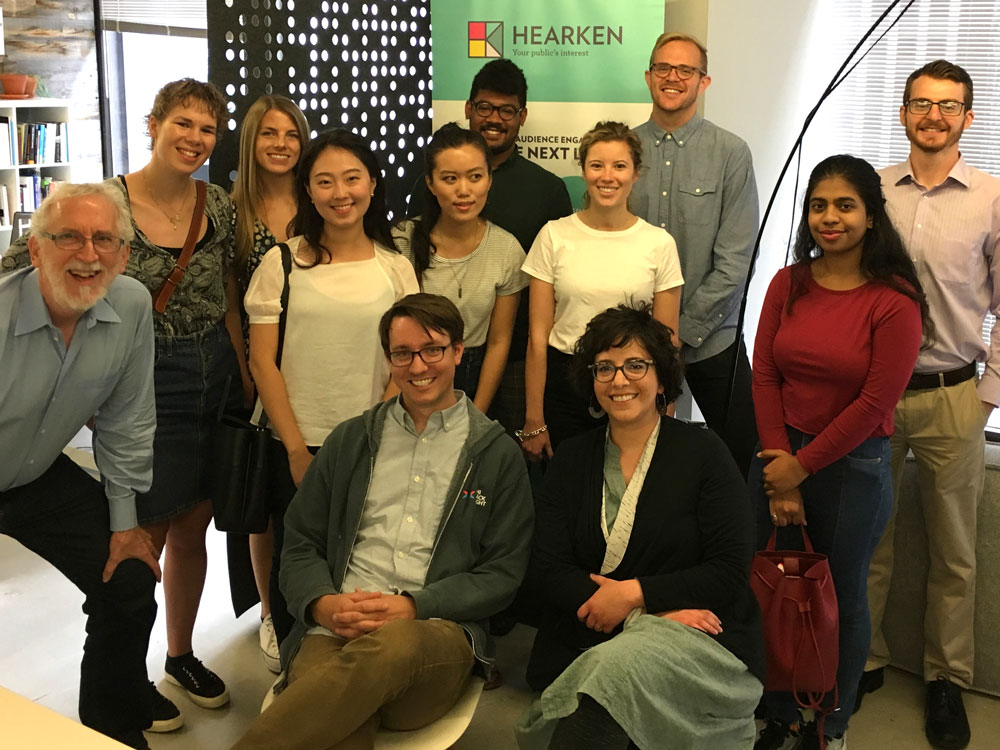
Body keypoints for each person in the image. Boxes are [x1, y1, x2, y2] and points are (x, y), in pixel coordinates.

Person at [1, 78, 242, 728]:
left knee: (162, 552)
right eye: (183, 123)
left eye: (208, 129)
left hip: (197, 377)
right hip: (91, 404)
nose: (194, 139)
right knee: (142, 536)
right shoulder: (91, 216)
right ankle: (122, 686)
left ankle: (147, 691)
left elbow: (128, 421)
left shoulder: (201, 217)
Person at [231, 293, 534, 750]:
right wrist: (322, 605)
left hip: (432, 637)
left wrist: (414, 605)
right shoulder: (350, 440)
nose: (418, 367)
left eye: (432, 349)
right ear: (388, 359)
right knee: (342, 726)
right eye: (402, 354)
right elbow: (300, 542)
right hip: (334, 628)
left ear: (458, 351)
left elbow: (503, 573)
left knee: (391, 650)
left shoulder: (496, 455)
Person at [516, 303, 765, 750]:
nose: (620, 380)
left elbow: (729, 572)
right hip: (598, 629)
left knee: (610, 681)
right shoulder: (572, 459)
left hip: (698, 633)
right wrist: (640, 618)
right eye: (605, 368)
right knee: (615, 679)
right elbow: (547, 570)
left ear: (661, 377)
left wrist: (635, 595)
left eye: (635, 365)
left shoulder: (704, 453)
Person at [750, 155, 928, 750]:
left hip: (852, 467)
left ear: (872, 216)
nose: (830, 218)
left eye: (845, 205)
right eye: (819, 205)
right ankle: (778, 711)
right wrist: (780, 463)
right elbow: (765, 374)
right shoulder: (788, 283)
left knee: (838, 596)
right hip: (780, 459)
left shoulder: (895, 299)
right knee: (777, 586)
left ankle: (829, 724)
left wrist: (800, 467)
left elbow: (876, 399)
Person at [861, 60, 1000, 750]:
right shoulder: (873, 191)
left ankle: (946, 679)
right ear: (903, 112)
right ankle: (865, 659)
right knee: (869, 539)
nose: (933, 115)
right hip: (873, 398)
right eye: (921, 103)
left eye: (948, 106)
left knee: (954, 553)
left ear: (968, 118)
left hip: (952, 396)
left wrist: (987, 398)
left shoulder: (992, 197)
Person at [244, 128, 418, 650]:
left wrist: (374, 433)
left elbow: (404, 361)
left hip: (371, 438)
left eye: (351, 179)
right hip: (293, 437)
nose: (340, 193)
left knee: (361, 544)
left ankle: (347, 644)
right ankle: (288, 638)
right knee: (293, 546)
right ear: (309, 191)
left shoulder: (396, 267)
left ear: (372, 185)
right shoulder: (281, 264)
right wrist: (296, 448)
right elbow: (262, 361)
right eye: (325, 182)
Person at [0, 184, 159, 749]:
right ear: (36, 249)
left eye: (103, 239)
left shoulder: (133, 305)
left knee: (130, 579)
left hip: (38, 474)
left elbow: (128, 419)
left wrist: (125, 524)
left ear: (123, 255)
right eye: (67, 236)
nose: (87, 253)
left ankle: (111, 729)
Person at [408, 58, 573, 436]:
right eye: (484, 107)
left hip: (516, 358)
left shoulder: (548, 190)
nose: (494, 118)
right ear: (468, 109)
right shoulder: (424, 192)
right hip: (432, 358)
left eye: (506, 110)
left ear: (522, 116)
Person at [631, 32, 760, 477]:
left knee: (745, 460)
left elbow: (736, 261)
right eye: (664, 68)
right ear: (648, 76)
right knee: (639, 463)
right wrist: (649, 339)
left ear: (703, 82)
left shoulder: (731, 154)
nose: (673, 77)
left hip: (710, 341)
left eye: (686, 70)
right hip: (634, 344)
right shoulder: (623, 153)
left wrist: (679, 333)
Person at [521, 121, 683, 460]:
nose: (607, 176)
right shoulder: (553, 236)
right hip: (566, 388)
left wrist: (667, 417)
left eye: (619, 166)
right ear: (583, 170)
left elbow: (668, 342)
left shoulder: (659, 244)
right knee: (571, 492)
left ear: (636, 173)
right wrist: (534, 419)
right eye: (597, 165)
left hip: (634, 385)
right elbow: (538, 338)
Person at [230, 94, 311, 673]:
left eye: (291, 134)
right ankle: (267, 609)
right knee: (267, 503)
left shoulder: (318, 201)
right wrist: (246, 373)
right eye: (269, 134)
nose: (281, 144)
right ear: (252, 143)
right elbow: (233, 304)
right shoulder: (231, 212)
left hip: (316, 361)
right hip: (260, 364)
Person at [393, 123, 528, 412]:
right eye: (450, 178)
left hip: (473, 376)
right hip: (409, 373)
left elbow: (498, 342)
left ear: (490, 179)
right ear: (430, 183)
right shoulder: (402, 241)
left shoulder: (507, 250)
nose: (463, 191)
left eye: (475, 177)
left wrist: (476, 415)